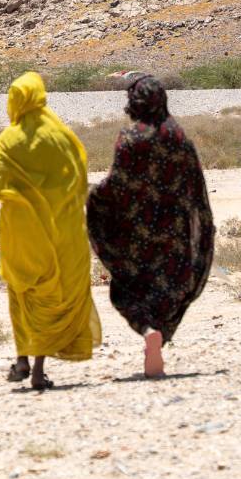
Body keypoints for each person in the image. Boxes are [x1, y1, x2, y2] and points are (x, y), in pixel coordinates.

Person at [87, 73, 215, 378]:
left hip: (138, 236)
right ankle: (161, 333)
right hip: (175, 234)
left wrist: (93, 196)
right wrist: (202, 230)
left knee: (126, 290)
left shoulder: (130, 139)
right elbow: (196, 187)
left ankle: (147, 330)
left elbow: (117, 186)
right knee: (171, 288)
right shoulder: (179, 137)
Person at [0, 71, 101, 390]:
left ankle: (22, 358)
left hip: (21, 233)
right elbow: (79, 180)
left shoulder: (8, 139)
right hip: (61, 231)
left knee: (22, 293)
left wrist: (26, 200)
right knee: (52, 294)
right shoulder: (62, 137)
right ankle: (38, 369)